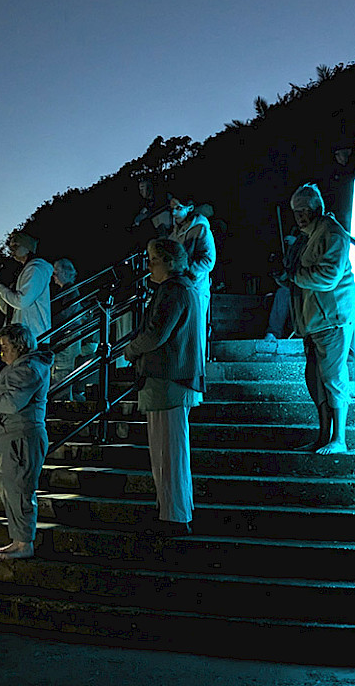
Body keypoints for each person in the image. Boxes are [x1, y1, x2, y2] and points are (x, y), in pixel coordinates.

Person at [124, 239, 205, 536]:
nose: (149, 266)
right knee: (171, 451)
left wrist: (131, 350)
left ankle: (174, 516)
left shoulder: (174, 290)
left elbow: (156, 333)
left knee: (167, 452)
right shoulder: (183, 288)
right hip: (173, 379)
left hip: (168, 378)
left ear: (170, 262)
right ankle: (174, 511)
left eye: (154, 260)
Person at [0, 323, 52, 560]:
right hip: (10, 439)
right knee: (11, 490)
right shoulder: (19, 367)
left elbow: (12, 402)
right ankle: (18, 540)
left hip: (20, 439)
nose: (2, 351)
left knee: (19, 490)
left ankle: (24, 543)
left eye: (5, 346)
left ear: (20, 345)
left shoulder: (29, 369)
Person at [289, 183, 355, 455]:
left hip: (332, 317)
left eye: (304, 210)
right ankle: (324, 436)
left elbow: (329, 277)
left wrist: (295, 275)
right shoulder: (313, 234)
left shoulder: (331, 233)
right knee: (318, 379)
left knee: (332, 377)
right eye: (297, 211)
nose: (300, 216)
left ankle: (339, 438)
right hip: (318, 319)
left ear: (317, 208)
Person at [168, 194, 216, 355]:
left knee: (195, 334)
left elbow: (209, 260)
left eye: (178, 208)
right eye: (172, 208)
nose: (174, 212)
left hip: (195, 288)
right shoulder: (174, 234)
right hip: (179, 289)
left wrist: (188, 270)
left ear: (189, 208)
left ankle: (198, 368)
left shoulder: (201, 229)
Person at [0, 232, 53, 340]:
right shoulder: (24, 271)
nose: (12, 250)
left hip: (34, 337)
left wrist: (0, 287)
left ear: (28, 248)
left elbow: (21, 302)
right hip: (22, 337)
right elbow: (11, 310)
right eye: (11, 247)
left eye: (16, 245)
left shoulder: (36, 269)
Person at [50, 258, 84, 401]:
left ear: (64, 273)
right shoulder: (68, 291)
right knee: (61, 373)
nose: (53, 276)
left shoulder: (69, 292)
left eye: (56, 272)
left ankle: (62, 404)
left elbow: (65, 315)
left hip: (66, 339)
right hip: (67, 339)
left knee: (61, 373)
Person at [264, 228, 306, 340]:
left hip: (310, 286)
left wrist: (296, 244)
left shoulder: (313, 238)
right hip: (294, 284)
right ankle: (273, 332)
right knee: (282, 292)